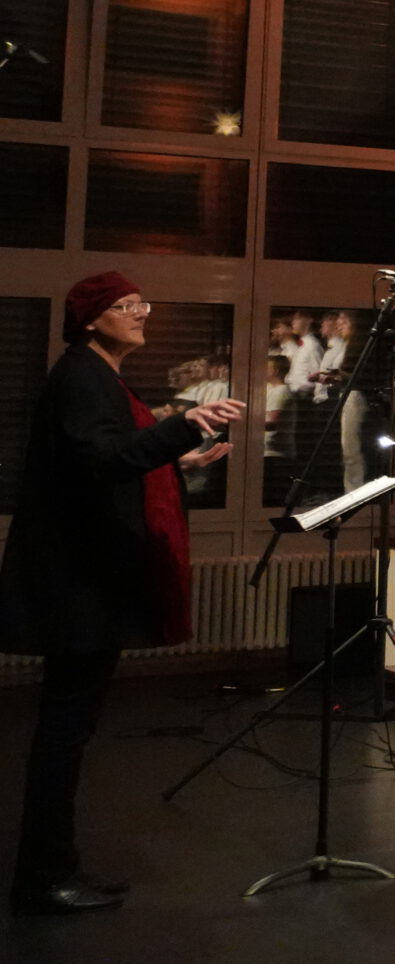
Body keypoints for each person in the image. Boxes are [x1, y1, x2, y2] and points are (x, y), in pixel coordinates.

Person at [1, 273, 243, 913]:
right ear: (89, 319)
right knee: (64, 730)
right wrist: (182, 427)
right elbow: (102, 461)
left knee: (69, 728)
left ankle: (50, 868)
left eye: (141, 303)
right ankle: (44, 876)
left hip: (84, 578)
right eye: (124, 305)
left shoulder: (97, 374)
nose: (140, 313)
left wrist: (177, 458)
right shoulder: (83, 375)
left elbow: (105, 458)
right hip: (78, 580)